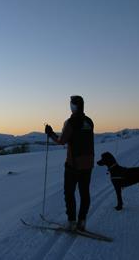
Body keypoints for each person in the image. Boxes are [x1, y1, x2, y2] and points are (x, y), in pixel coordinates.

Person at [45, 95, 94, 231]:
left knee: (69, 193)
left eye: (71, 105)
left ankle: (72, 222)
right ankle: (82, 221)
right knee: (85, 193)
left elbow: (62, 141)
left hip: (74, 165)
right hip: (88, 164)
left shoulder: (71, 122)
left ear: (74, 106)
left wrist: (50, 133)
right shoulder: (89, 121)